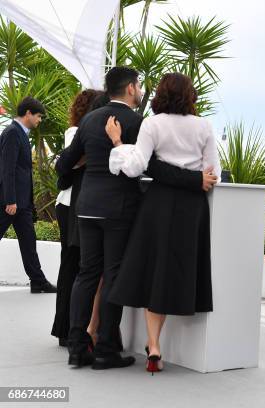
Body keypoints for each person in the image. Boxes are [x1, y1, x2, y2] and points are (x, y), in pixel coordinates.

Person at [56, 67, 206, 370]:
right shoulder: (138, 123)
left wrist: (89, 160)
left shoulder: (88, 120)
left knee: (86, 275)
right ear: (129, 89)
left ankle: (76, 348)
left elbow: (64, 165)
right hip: (119, 209)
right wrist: (196, 180)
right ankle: (106, 349)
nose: (140, 90)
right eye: (138, 85)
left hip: (85, 206)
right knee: (113, 276)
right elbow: (152, 168)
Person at [104, 72, 220, 374]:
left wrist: (118, 145)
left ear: (160, 95)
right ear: (190, 95)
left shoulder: (151, 124)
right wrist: (195, 177)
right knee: (175, 271)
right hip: (191, 206)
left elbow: (135, 167)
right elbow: (213, 173)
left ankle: (154, 345)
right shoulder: (204, 125)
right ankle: (157, 344)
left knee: (153, 270)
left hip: (157, 203)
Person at [51, 89, 107, 347]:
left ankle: (70, 329)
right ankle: (65, 329)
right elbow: (68, 163)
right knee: (71, 267)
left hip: (77, 203)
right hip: (70, 205)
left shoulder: (83, 130)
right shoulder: (77, 132)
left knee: (76, 267)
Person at [0, 97, 56, 294]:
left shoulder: (21, 133)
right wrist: (10, 200)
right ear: (28, 114)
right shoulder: (13, 133)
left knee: (29, 242)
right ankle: (38, 280)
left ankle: (37, 281)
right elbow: (7, 169)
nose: (39, 120)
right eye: (38, 116)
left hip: (21, 203)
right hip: (10, 202)